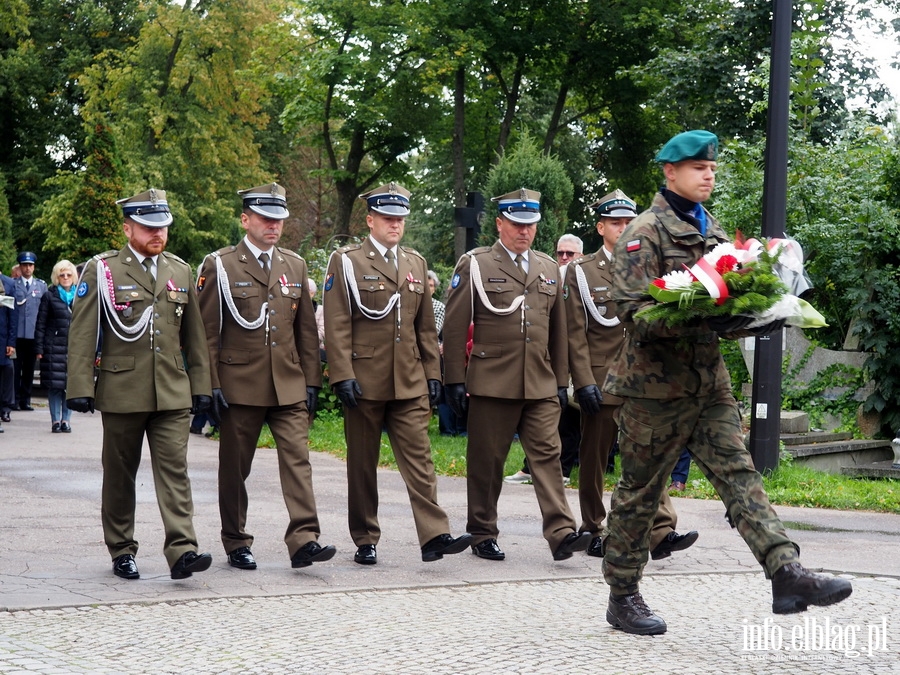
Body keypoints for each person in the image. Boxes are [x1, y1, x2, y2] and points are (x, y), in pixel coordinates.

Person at [601, 130, 852, 635]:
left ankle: (786, 573)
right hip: (653, 391)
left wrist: (757, 315)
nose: (709, 174)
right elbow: (632, 313)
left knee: (740, 476)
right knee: (640, 495)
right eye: (698, 167)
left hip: (708, 385)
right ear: (670, 172)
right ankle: (623, 594)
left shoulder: (712, 230)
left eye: (712, 168)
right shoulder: (643, 232)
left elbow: (727, 300)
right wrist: (700, 318)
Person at [66, 188, 214, 581]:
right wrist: (79, 385)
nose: (158, 234)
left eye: (163, 226)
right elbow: (82, 332)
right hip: (121, 390)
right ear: (128, 227)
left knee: (175, 472)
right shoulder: (103, 269)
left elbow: (194, 335)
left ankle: (183, 550)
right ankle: (121, 549)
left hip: (171, 390)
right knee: (119, 474)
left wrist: (201, 385)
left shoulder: (180, 270)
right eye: (149, 227)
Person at [323, 182, 471, 566]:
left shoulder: (415, 263)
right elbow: (338, 322)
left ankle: (434, 535)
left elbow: (425, 327)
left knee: (420, 459)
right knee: (362, 463)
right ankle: (365, 537)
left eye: (400, 218)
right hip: (364, 377)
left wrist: (432, 373)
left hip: (408, 378)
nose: (395, 225)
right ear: (370, 220)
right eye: (388, 218)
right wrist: (341, 373)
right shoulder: (347, 260)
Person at [443, 187, 591, 562]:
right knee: (487, 463)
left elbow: (558, 332)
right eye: (516, 224)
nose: (524, 232)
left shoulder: (546, 267)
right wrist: (454, 381)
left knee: (548, 457)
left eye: (531, 225)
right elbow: (456, 326)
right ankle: (482, 532)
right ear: (500, 223)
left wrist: (560, 382)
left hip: (539, 381)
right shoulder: (476, 263)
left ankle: (561, 533)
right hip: (493, 380)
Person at [197, 182, 335, 572]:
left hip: (287, 382)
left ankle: (304, 539)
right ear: (245, 219)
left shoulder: (294, 264)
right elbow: (207, 331)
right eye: (265, 218)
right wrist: (211, 384)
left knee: (298, 460)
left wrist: (312, 381)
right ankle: (236, 540)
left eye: (279, 219)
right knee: (235, 468)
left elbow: (306, 331)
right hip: (239, 384)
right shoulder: (220, 265)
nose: (273, 226)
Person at [564, 190, 697, 559]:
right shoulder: (582, 270)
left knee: (649, 454)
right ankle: (593, 525)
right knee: (593, 458)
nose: (623, 228)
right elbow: (575, 332)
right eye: (616, 222)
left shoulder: (647, 263)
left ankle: (660, 529)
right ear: (601, 226)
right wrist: (582, 380)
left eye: (628, 221)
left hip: (643, 378)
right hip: (602, 379)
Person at [505, 232, 584, 485]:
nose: (563, 257)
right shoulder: (546, 274)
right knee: (543, 417)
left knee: (570, 415)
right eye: (560, 252)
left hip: (576, 357)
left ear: (580, 256)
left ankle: (562, 470)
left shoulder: (584, 279)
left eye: (569, 254)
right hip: (546, 356)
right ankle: (530, 467)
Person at [34, 259, 78, 433]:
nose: (65, 277)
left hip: (74, 347)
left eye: (68, 274)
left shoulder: (81, 295)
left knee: (71, 385)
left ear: (73, 276)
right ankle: (55, 421)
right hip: (54, 347)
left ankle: (66, 420)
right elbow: (41, 324)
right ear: (56, 277)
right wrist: (39, 348)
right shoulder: (49, 295)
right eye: (62, 275)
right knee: (55, 386)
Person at [13, 251, 48, 411]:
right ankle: (14, 399)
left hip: (33, 335)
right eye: (24, 265)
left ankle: (25, 400)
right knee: (15, 369)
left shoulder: (41, 286)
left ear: (34, 267)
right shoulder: (14, 284)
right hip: (17, 335)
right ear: (20, 267)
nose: (27, 268)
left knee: (29, 369)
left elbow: (44, 312)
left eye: (30, 265)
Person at [0, 270, 16, 430]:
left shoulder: (8, 284)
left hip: (3, 339)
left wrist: (11, 342)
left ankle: (5, 409)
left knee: (7, 373)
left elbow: (13, 315)